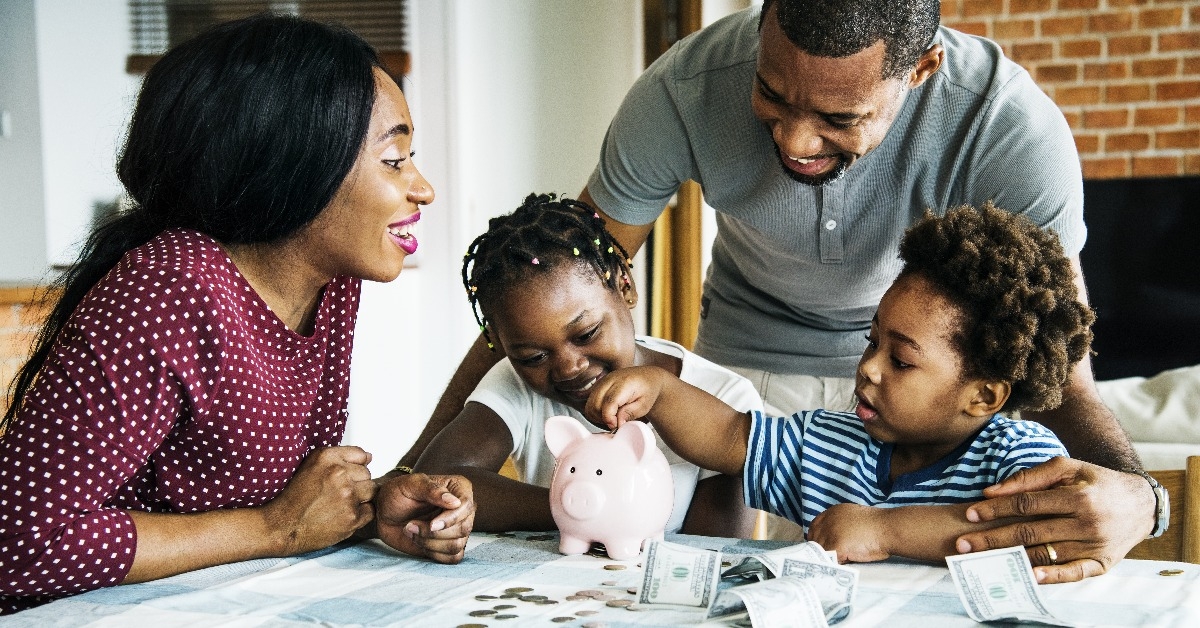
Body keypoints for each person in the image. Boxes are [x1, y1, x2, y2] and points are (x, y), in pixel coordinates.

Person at [392, 0, 1160, 583]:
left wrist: (1141, 497)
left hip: (930, 374)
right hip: (744, 379)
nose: (794, 141)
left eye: (838, 116)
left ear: (920, 69)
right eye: (772, 94)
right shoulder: (681, 91)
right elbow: (552, 282)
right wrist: (414, 468)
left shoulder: (1009, 131)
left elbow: (1061, 376)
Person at [0, 15, 475, 614]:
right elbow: (18, 541)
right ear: (298, 162)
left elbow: (282, 499)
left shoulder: (330, 286)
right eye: (393, 159)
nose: (422, 188)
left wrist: (369, 507)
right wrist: (276, 529)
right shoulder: (169, 287)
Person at [586, 203, 1091, 564]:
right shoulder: (829, 443)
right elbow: (730, 437)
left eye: (902, 361)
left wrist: (883, 531)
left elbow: (1027, 531)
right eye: (873, 343)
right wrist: (660, 392)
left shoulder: (1018, 457)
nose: (869, 368)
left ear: (983, 396)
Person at [412, 193, 762, 537]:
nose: (568, 368)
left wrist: (590, 509)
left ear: (624, 285)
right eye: (533, 357)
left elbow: (715, 550)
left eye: (586, 333)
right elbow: (434, 481)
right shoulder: (515, 381)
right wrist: (572, 508)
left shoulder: (726, 398)